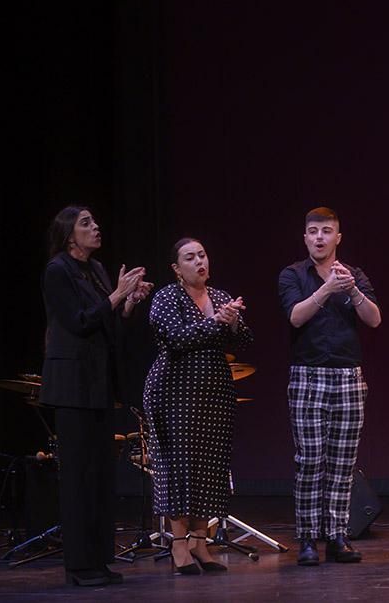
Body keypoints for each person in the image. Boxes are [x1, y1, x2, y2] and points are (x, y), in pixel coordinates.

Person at [39, 206, 151, 587]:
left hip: (99, 384)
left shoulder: (97, 269)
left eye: (94, 221)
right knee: (78, 477)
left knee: (102, 476)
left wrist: (128, 301)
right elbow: (80, 321)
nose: (96, 226)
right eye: (86, 223)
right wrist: (117, 294)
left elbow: (108, 322)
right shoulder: (57, 271)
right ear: (70, 235)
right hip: (72, 387)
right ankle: (79, 565)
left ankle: (99, 560)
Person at [277, 207, 381, 566]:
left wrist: (351, 290)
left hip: (348, 376)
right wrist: (327, 289)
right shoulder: (293, 275)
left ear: (338, 237)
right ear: (305, 237)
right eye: (313, 231)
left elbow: (374, 319)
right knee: (310, 461)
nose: (319, 237)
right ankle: (308, 537)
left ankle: (338, 535)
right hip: (308, 375)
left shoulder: (353, 275)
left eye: (326, 231)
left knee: (342, 462)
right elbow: (295, 316)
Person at [144, 238, 252, 575]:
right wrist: (216, 322)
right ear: (177, 268)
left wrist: (233, 321)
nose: (199, 262)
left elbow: (244, 341)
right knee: (180, 467)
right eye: (189, 258)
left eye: (202, 255)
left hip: (214, 392)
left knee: (210, 468)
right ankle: (179, 547)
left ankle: (201, 544)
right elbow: (177, 339)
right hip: (174, 391)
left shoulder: (220, 297)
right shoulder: (166, 297)